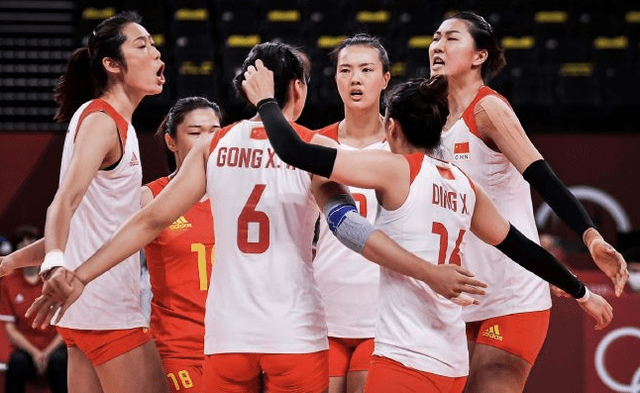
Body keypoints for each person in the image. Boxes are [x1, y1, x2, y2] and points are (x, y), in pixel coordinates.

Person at [27, 42, 485, 393]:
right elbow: (347, 227)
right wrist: (426, 270)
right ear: (299, 89)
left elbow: (148, 222)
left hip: (228, 336)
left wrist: (81, 275)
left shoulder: (213, 145)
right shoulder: (315, 147)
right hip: (294, 334)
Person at [239, 62, 613, 392]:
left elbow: (294, 151)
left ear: (391, 127)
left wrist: (266, 102)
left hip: (404, 356)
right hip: (451, 363)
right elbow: (522, 247)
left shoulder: (396, 169)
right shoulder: (465, 185)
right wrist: (581, 292)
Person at [427, 11, 628, 393]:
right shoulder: (428, 116)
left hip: (510, 292)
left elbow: (544, 179)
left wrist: (591, 237)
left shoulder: (488, 109)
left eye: (451, 38)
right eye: (435, 37)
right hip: (456, 295)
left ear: (480, 56)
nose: (437, 46)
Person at [24, 11, 169, 393]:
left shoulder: (107, 120)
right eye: (142, 46)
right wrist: (54, 263)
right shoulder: (103, 123)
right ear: (112, 65)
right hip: (107, 310)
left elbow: (88, 223)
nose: (156, 54)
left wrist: (11, 261)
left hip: (85, 310)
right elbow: (64, 202)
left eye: (154, 45)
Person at [314, 34, 390, 393]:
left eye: (366, 70)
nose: (355, 79)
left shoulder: (405, 147)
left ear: (385, 79)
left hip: (383, 313)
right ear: (336, 79)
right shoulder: (314, 144)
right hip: (323, 310)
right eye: (345, 70)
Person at [142, 96, 222, 393]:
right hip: (179, 348)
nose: (208, 141)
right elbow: (95, 239)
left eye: (215, 131)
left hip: (235, 345)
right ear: (171, 142)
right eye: (196, 132)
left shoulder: (239, 194)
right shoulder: (151, 197)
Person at [0, 227, 67, 393]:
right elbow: (9, 329)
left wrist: (47, 353)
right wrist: (35, 353)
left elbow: (66, 322)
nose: (26, 244)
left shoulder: (56, 277)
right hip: (25, 348)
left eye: (31, 240)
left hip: (54, 347)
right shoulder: (8, 282)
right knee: (17, 362)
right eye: (21, 241)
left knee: (60, 361)